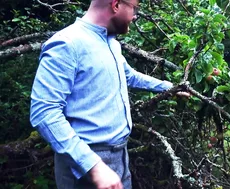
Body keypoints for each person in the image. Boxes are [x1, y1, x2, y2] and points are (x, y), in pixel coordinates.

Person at [30, 0, 189, 188]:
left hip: (120, 155)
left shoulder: (111, 43)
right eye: (134, 8)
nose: (135, 15)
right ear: (115, 5)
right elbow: (44, 113)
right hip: (84, 165)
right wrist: (94, 167)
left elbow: (128, 75)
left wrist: (168, 87)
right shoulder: (67, 43)